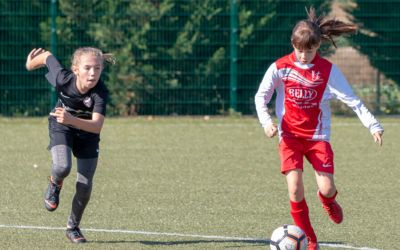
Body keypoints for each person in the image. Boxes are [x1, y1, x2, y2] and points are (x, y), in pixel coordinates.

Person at [254, 7, 383, 250]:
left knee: (327, 187)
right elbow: (261, 97)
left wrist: (372, 125)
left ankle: (328, 201)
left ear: (318, 47)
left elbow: (352, 100)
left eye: (309, 51)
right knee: (294, 189)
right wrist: (267, 122)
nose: (303, 55)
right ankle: (310, 240)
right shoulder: (280, 67)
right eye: (299, 50)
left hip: (317, 138)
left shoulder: (327, 71)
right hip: (289, 137)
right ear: (293, 44)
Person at [25, 47, 115, 243]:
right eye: (87, 68)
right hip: (60, 125)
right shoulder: (63, 78)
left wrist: (71, 119)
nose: (93, 73)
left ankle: (72, 227)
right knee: (62, 166)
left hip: (88, 134)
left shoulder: (100, 92)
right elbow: (47, 57)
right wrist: (29, 63)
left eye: (97, 68)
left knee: (84, 186)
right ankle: (55, 183)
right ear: (75, 69)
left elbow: (97, 126)